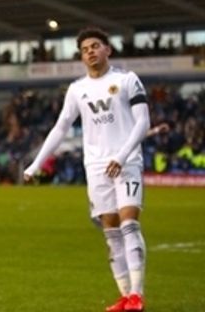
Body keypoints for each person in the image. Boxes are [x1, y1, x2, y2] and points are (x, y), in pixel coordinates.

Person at [23, 27, 150, 312]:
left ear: (108, 50)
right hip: (96, 168)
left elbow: (143, 123)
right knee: (111, 232)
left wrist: (122, 154)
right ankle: (125, 295)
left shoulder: (127, 80)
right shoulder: (77, 89)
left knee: (129, 224)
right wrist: (36, 163)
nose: (90, 52)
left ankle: (137, 296)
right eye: (85, 49)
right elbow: (60, 128)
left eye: (95, 46)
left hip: (127, 162)